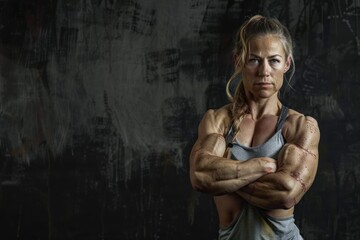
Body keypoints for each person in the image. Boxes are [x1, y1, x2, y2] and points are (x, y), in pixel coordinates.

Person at [189, 15, 320, 240]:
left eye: (274, 61)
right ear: (238, 61)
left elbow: (286, 193)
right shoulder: (218, 121)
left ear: (287, 63)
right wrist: (261, 166)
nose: (264, 71)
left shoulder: (300, 126)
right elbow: (200, 175)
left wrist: (223, 175)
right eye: (254, 60)